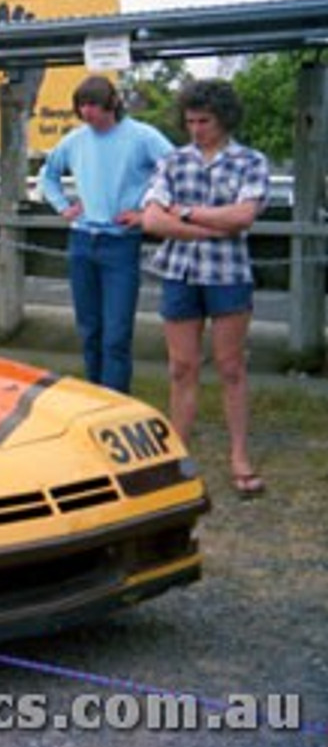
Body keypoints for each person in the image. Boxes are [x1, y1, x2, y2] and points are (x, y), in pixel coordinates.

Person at [141, 79, 269, 497]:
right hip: (181, 270)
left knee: (231, 366)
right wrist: (206, 229)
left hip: (229, 274)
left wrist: (186, 212)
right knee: (181, 367)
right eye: (190, 120)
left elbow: (244, 216)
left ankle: (239, 454)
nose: (196, 129)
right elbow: (152, 221)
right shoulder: (173, 161)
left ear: (224, 119)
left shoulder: (250, 161)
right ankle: (178, 451)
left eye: (205, 121)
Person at [39, 75, 173, 394]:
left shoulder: (142, 136)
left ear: (111, 104)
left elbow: (177, 168)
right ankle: (94, 394)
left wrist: (146, 213)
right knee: (89, 330)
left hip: (120, 242)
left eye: (93, 106)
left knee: (116, 333)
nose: (87, 113)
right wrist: (62, 205)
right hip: (83, 240)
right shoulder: (74, 140)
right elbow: (49, 174)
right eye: (82, 106)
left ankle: (116, 399)